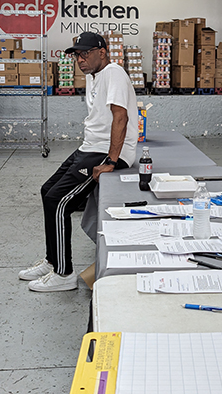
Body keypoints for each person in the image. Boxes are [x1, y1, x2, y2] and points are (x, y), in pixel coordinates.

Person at [19, 32, 138, 292]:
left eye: (85, 54)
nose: (80, 60)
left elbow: (121, 117)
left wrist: (112, 160)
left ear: (102, 52)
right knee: (47, 191)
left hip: (106, 152)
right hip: (90, 147)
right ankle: (53, 261)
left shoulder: (114, 73)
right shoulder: (94, 76)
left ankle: (64, 274)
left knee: (58, 201)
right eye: (77, 56)